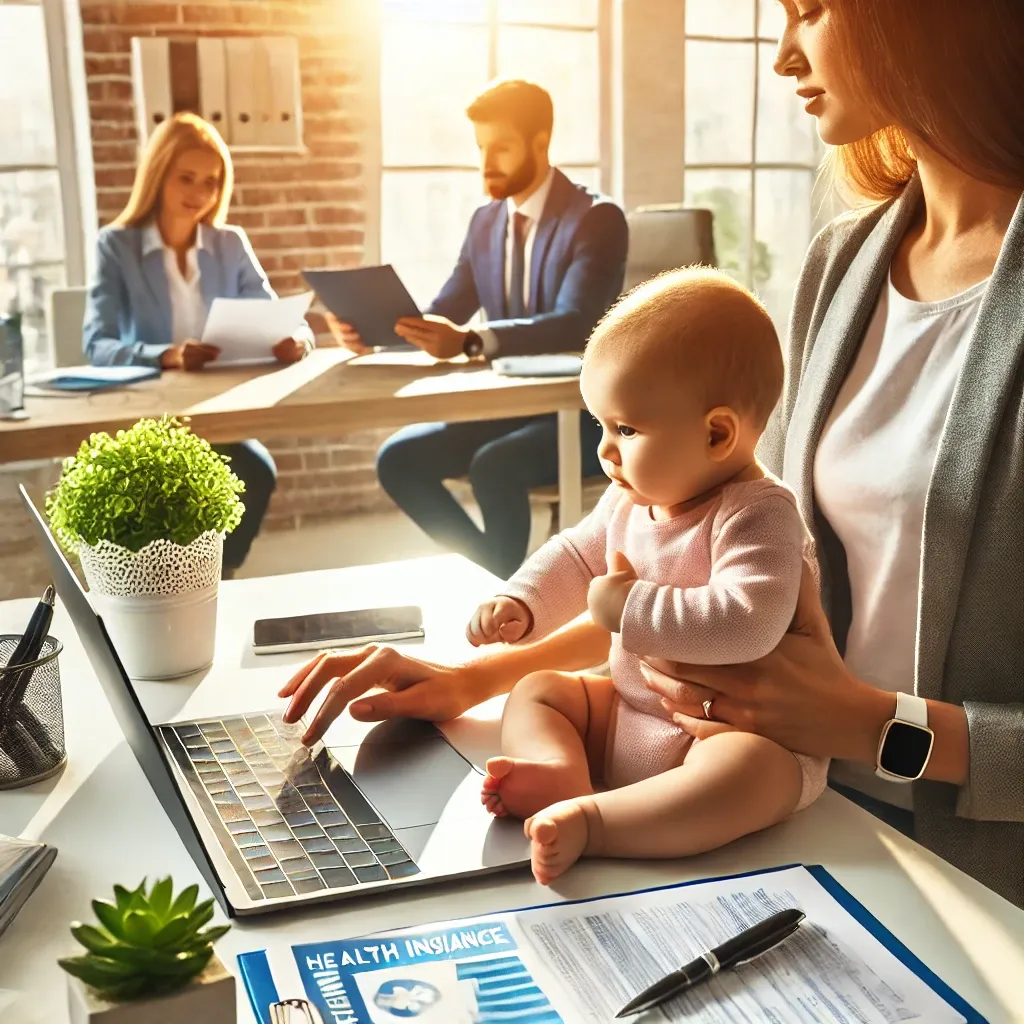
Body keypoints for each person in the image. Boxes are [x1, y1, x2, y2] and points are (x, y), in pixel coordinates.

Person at [280, 0, 1024, 908]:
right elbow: (680, 566)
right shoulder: (845, 262)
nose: (785, 55)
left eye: (812, 10)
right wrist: (471, 677)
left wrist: (878, 728)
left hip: (955, 865)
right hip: (805, 830)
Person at [464, 269, 826, 884]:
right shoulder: (632, 499)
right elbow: (577, 555)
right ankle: (560, 771)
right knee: (540, 690)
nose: (606, 450)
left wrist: (629, 608)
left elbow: (748, 624)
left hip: (724, 733)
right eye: (601, 426)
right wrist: (521, 601)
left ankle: (600, 822)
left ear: (717, 434)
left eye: (626, 430)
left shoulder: (761, 513)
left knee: (751, 772)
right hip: (628, 712)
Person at [327, 79, 628, 580]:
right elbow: (447, 311)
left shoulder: (596, 219)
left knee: (494, 466)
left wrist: (472, 342)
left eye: (501, 147)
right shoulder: (485, 223)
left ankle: (500, 603)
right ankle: (496, 582)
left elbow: (576, 323)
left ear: (540, 142)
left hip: (577, 416)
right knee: (398, 460)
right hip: (504, 408)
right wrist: (379, 330)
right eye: (480, 148)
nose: (487, 161)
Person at [83, 113, 314, 574]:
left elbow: (287, 321)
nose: (200, 194)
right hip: (147, 421)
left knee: (256, 472)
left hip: (217, 414)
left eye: (211, 182)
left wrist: (296, 342)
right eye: (186, 178)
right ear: (158, 176)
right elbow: (96, 343)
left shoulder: (229, 243)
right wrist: (166, 355)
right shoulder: (117, 246)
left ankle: (214, 580)